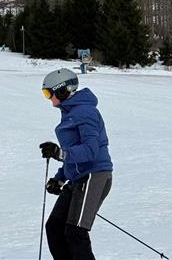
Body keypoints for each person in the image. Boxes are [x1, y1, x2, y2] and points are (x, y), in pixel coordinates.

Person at [39, 68, 113, 260]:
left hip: (94, 175)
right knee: (54, 227)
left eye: (49, 93)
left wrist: (59, 153)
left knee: (75, 232)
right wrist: (59, 178)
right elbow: (73, 155)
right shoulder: (70, 113)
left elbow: (90, 151)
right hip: (78, 177)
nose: (48, 98)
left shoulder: (85, 112)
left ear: (63, 90)